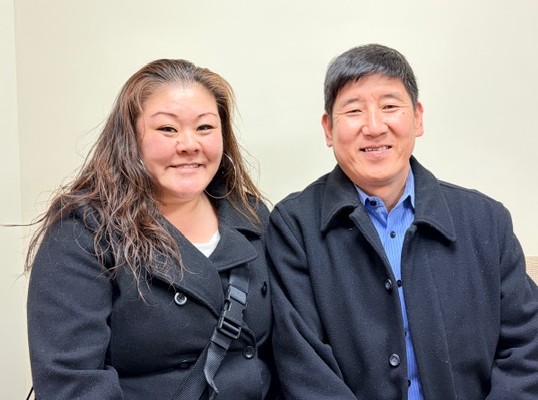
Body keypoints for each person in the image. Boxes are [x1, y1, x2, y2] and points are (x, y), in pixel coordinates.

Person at [266, 43, 538, 399]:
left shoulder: (486, 221)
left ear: (418, 118)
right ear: (328, 129)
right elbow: (303, 369)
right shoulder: (294, 227)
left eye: (390, 106)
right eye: (354, 110)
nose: (374, 126)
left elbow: (526, 347)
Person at [26, 59, 280, 399]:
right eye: (168, 129)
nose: (189, 144)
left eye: (205, 127)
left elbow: (284, 353)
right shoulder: (83, 233)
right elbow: (72, 383)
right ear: (130, 138)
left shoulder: (251, 215)